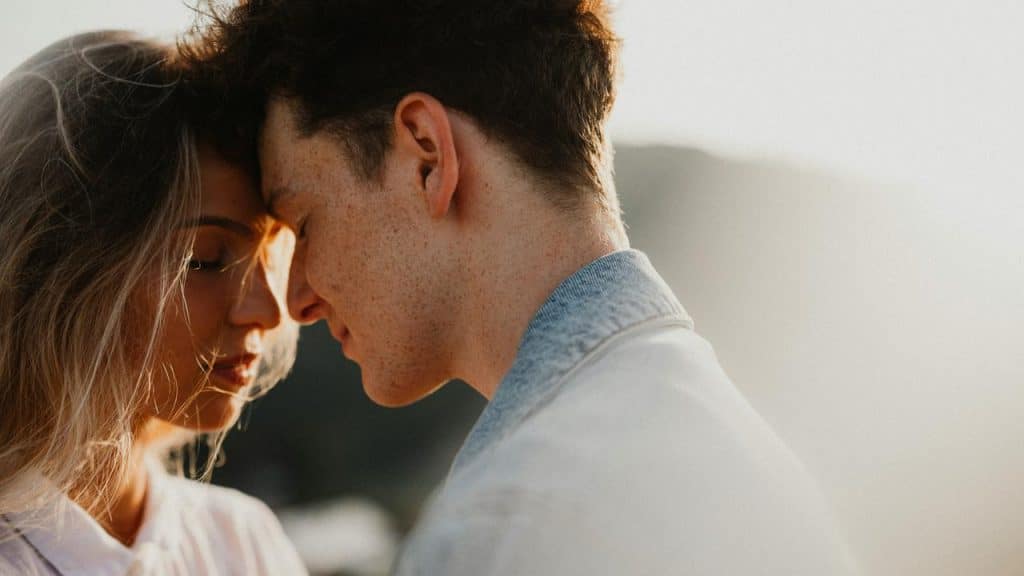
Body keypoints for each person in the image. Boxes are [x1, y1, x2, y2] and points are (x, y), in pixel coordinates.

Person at [191, 1, 857, 573]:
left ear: (426, 154)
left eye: (304, 222)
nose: (297, 300)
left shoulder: (511, 525)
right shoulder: (741, 452)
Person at [0, 31, 307, 575]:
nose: (267, 310)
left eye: (271, 256)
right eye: (206, 258)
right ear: (62, 272)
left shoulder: (241, 542)